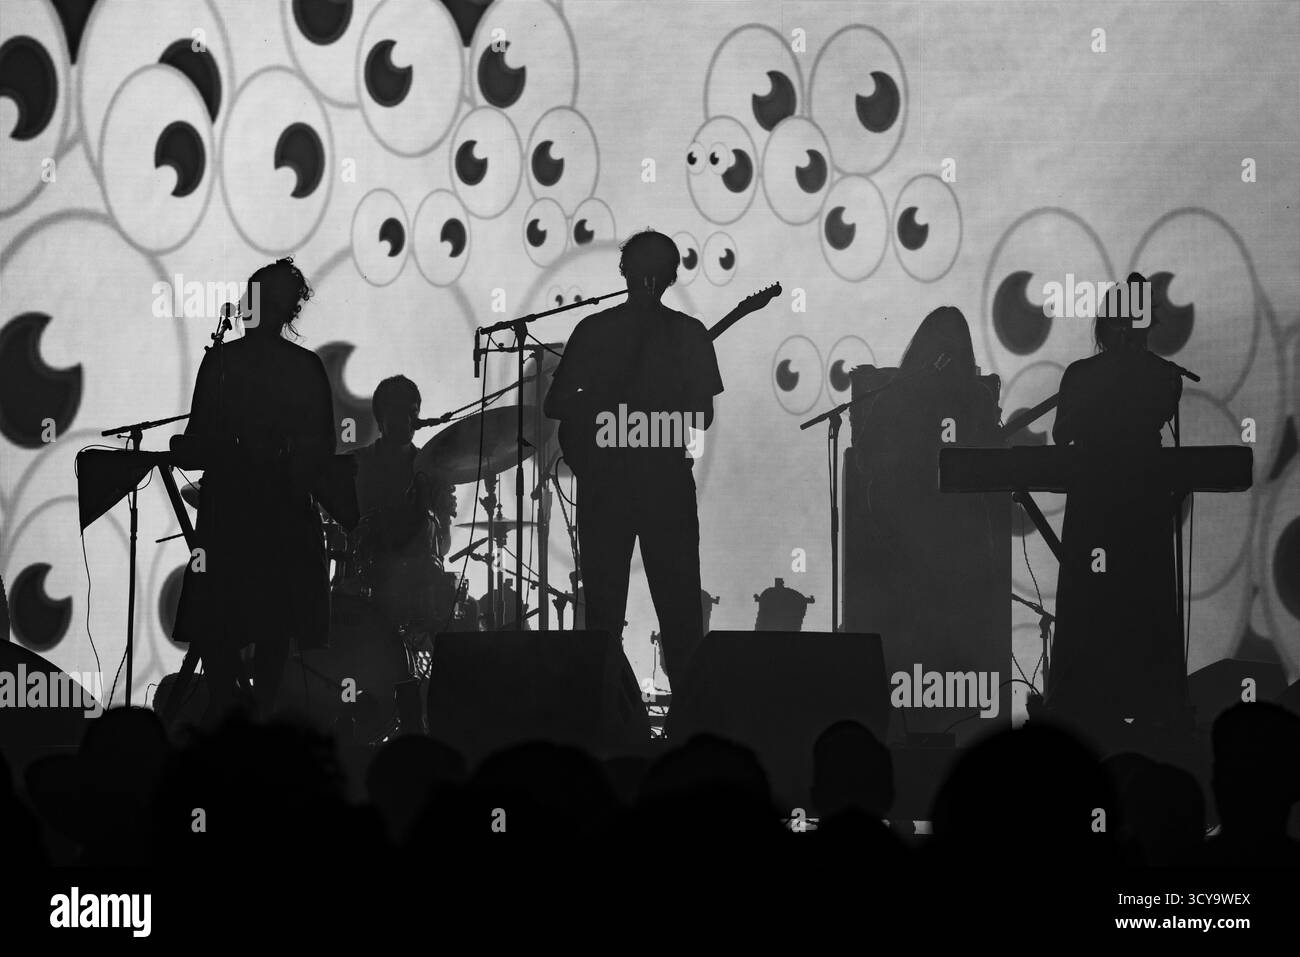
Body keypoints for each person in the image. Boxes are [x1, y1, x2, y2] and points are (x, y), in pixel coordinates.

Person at [544, 229, 723, 688]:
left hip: (622, 488)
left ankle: (606, 721)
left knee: (614, 615)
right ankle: (683, 721)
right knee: (671, 613)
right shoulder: (686, 333)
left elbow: (558, 404)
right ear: (670, 276)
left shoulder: (598, 331)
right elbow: (701, 416)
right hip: (650, 488)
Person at [172, 257, 336, 721]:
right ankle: (255, 725)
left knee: (221, 626)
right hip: (279, 524)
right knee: (272, 633)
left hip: (232, 520)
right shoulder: (304, 367)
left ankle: (231, 726)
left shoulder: (222, 362)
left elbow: (195, 445)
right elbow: (323, 452)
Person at [1047, 272, 1186, 739]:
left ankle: (1082, 707)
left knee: (1089, 606)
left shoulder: (1082, 376)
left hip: (1095, 511)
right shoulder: (1164, 377)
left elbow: (1062, 433)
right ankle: (1153, 708)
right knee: (1145, 605)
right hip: (1141, 513)